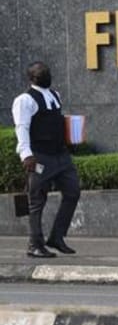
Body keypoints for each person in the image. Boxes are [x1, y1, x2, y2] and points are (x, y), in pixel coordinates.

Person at [11, 61, 81, 258]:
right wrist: (26, 154)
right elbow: (22, 128)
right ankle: (35, 244)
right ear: (32, 78)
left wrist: (71, 137)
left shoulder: (55, 95)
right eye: (42, 73)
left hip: (61, 156)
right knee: (36, 201)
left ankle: (57, 237)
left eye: (47, 72)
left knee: (73, 191)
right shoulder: (24, 100)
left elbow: (57, 121)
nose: (47, 75)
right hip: (40, 157)